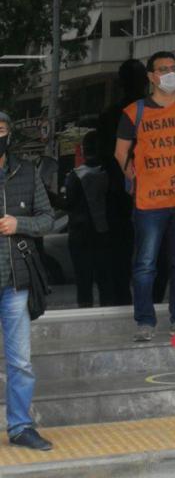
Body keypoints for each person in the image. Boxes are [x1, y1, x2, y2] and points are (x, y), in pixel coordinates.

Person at [114, 51, 175, 341]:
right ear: (151, 77)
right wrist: (137, 177)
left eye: (173, 68)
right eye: (163, 69)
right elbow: (120, 153)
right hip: (149, 202)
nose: (169, 73)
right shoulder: (134, 112)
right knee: (145, 264)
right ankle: (145, 321)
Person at [0, 112, 55, 450]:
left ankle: (20, 427)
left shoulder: (26, 171)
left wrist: (18, 224)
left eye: (1, 129)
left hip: (15, 283)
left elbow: (48, 218)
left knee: (20, 360)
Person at [97, 58, 147, 306]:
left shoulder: (157, 111)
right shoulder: (113, 115)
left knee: (150, 251)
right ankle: (123, 300)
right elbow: (108, 155)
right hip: (123, 192)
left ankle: (142, 300)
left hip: (153, 193)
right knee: (122, 251)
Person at [65, 131, 113, 307]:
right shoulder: (112, 173)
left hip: (80, 234)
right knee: (105, 280)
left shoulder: (76, 176)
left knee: (83, 281)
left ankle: (85, 309)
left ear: (84, 150)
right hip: (104, 233)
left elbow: (69, 203)